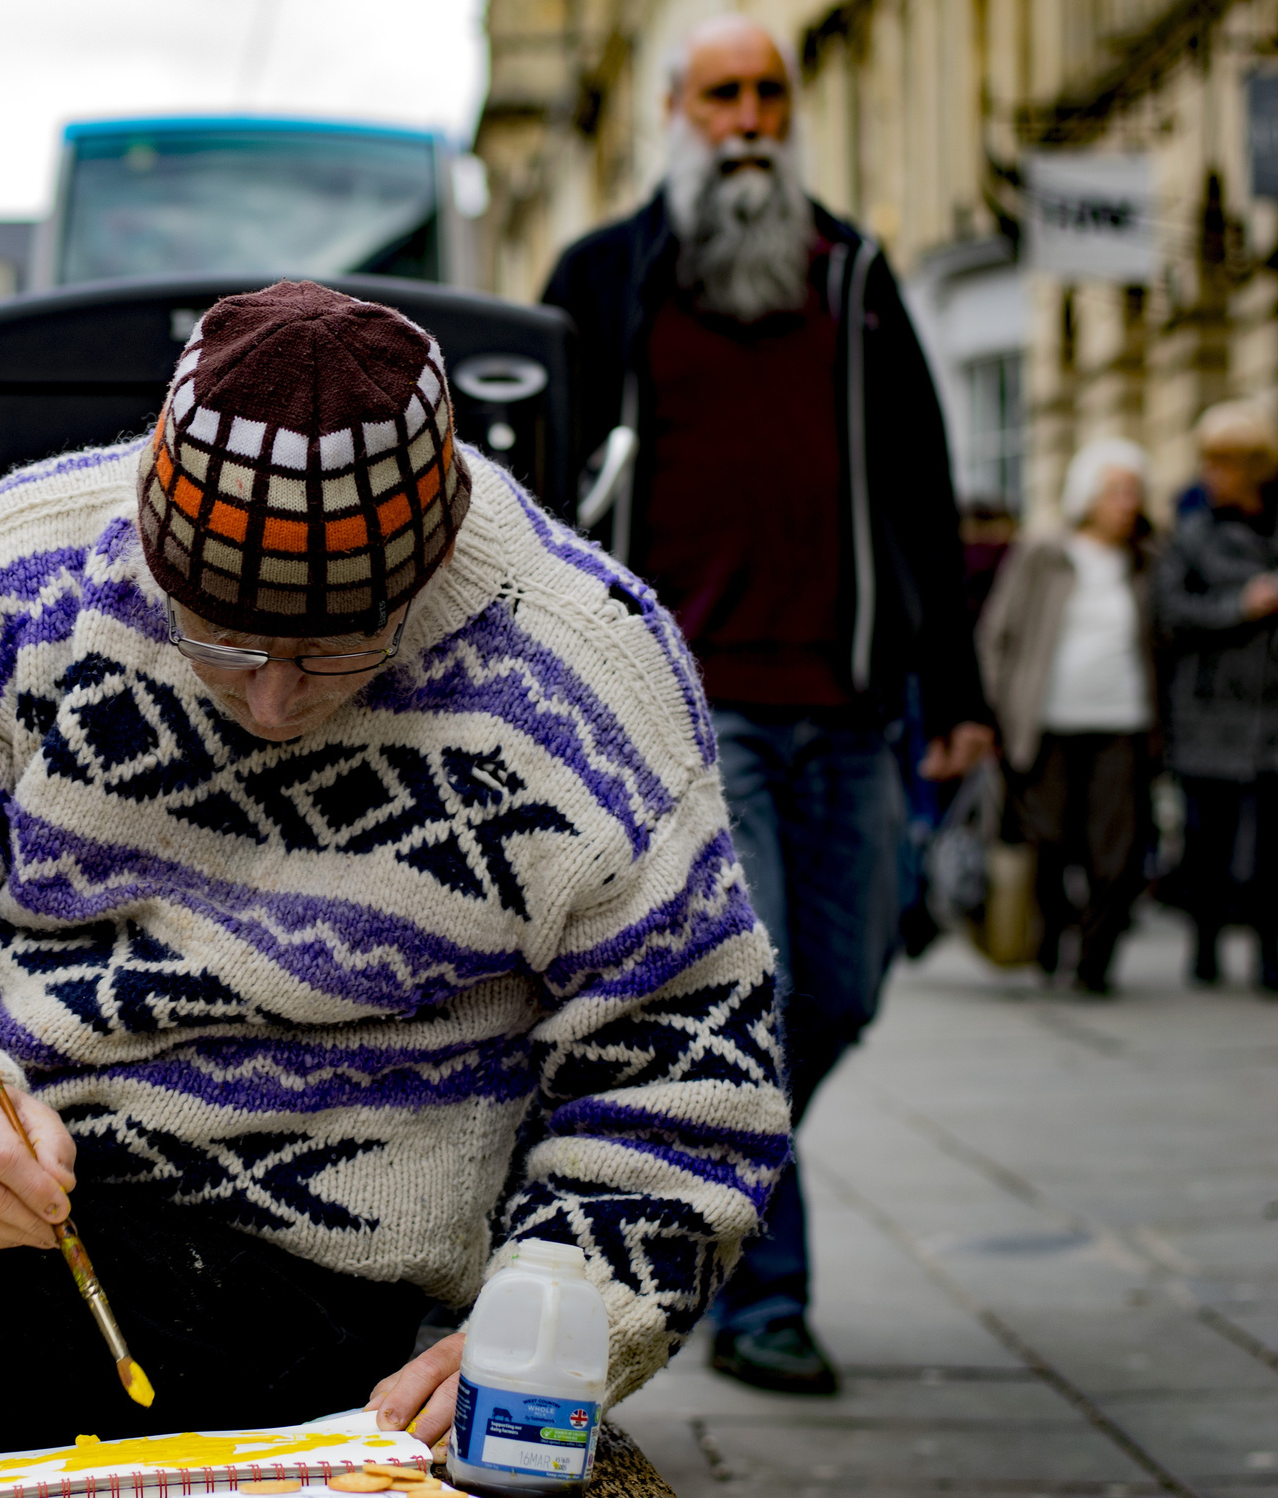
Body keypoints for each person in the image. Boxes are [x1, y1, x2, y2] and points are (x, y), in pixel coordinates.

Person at [0, 282, 788, 1486]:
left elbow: (690, 1071)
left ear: (432, 563)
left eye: (332, 651)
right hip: (7, 1207)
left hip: (323, 1288)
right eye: (220, 636)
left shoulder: (585, 668)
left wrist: (559, 1318)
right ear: (151, 537)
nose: (269, 701)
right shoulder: (19, 570)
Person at [542, 17, 991, 1396]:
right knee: (772, 983)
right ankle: (763, 1297)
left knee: (846, 988)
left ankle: (700, 1184)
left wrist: (955, 686)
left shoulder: (852, 275)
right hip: (694, 709)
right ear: (676, 111)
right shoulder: (605, 276)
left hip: (852, 700)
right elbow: (550, 495)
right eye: (721, 93)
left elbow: (920, 488)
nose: (747, 115)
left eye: (768, 93)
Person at [978, 439, 1157, 995]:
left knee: (1116, 853)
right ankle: (1052, 938)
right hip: (1046, 723)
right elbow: (997, 634)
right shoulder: (1043, 553)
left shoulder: (1150, 561)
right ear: (1086, 496)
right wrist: (994, 712)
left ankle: (1095, 961)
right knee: (1048, 841)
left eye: (1134, 492)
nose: (1127, 503)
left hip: (1123, 723)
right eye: (1115, 492)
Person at [1155, 402, 1278, 991]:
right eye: (1209, 462)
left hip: (1270, 709)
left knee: (1273, 845)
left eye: (1226, 463)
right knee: (1209, 838)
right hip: (1208, 709)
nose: (1213, 474)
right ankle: (1205, 945)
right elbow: (1170, 613)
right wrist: (1240, 606)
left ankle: (1270, 954)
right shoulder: (1193, 533)